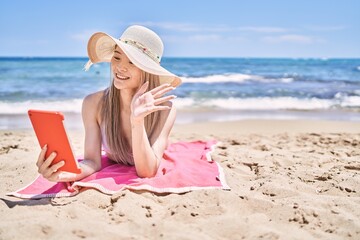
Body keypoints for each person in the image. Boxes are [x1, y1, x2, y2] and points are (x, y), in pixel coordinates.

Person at [36, 25, 182, 182]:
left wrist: (137, 121)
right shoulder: (93, 104)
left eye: (132, 62)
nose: (120, 67)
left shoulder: (165, 110)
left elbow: (147, 172)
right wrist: (69, 173)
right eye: (117, 57)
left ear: (149, 70)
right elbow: (91, 161)